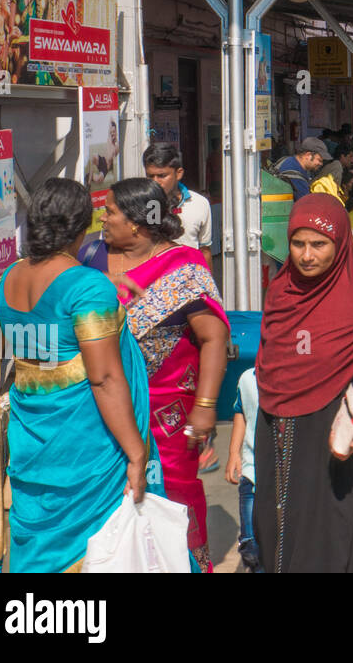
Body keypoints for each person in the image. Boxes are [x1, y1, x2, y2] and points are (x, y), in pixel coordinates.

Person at [0, 178, 160, 572]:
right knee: (95, 548)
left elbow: (48, 339)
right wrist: (137, 453)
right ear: (82, 225)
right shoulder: (86, 287)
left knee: (39, 550)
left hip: (32, 437)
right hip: (85, 445)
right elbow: (104, 378)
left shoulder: (9, 278)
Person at [254, 195, 353, 573]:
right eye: (298, 244)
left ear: (339, 245)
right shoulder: (278, 294)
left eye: (319, 244)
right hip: (277, 437)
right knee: (273, 535)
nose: (306, 255)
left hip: (332, 446)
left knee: (328, 542)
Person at [96, 178, 230, 571]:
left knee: (174, 496)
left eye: (110, 212)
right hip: (105, 407)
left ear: (137, 223)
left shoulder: (184, 265)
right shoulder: (94, 255)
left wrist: (205, 407)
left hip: (167, 414)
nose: (103, 219)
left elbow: (214, 336)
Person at [143, 143, 212, 267]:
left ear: (178, 173)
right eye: (150, 176)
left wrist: (208, 284)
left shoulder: (199, 203)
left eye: (162, 176)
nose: (155, 182)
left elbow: (204, 250)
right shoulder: (142, 203)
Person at [224, 367, 261, 573]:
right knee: (250, 543)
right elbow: (241, 412)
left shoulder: (293, 378)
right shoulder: (247, 378)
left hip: (284, 477)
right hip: (251, 473)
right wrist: (233, 453)